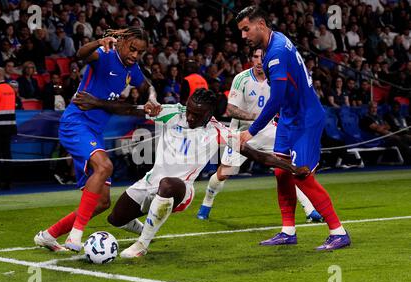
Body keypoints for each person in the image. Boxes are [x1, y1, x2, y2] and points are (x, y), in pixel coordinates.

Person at [75, 88, 307, 258]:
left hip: (180, 189)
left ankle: (141, 245)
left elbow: (257, 155)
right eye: (190, 111)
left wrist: (293, 168)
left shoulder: (218, 131)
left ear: (209, 114)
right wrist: (96, 101)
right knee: (115, 219)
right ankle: (148, 228)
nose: (190, 117)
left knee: (166, 184)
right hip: (148, 183)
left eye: (197, 114)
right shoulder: (172, 113)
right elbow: (130, 110)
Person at [34, 27, 162, 252]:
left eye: (140, 52)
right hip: (76, 123)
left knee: (102, 202)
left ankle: (48, 235)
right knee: (105, 166)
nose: (135, 55)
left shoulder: (131, 69)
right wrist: (98, 42)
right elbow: (81, 54)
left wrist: (151, 99)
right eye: (132, 49)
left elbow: (147, 86)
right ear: (121, 42)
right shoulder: (105, 55)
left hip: (94, 133)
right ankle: (75, 236)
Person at [237, 6, 351, 251]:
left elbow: (276, 98)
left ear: (261, 25)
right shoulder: (277, 40)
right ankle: (288, 230)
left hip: (305, 119)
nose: (244, 36)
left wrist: (252, 131)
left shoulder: (275, 53)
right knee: (281, 171)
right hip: (290, 117)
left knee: (300, 174)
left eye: (246, 29)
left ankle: (338, 231)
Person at [197, 48, 323, 223]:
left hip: (269, 131)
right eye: (255, 57)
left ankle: (310, 210)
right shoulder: (241, 79)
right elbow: (231, 109)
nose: (258, 61)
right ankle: (207, 202)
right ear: (251, 58)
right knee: (224, 173)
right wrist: (256, 117)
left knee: (288, 166)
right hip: (242, 133)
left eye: (262, 58)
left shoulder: (277, 79)